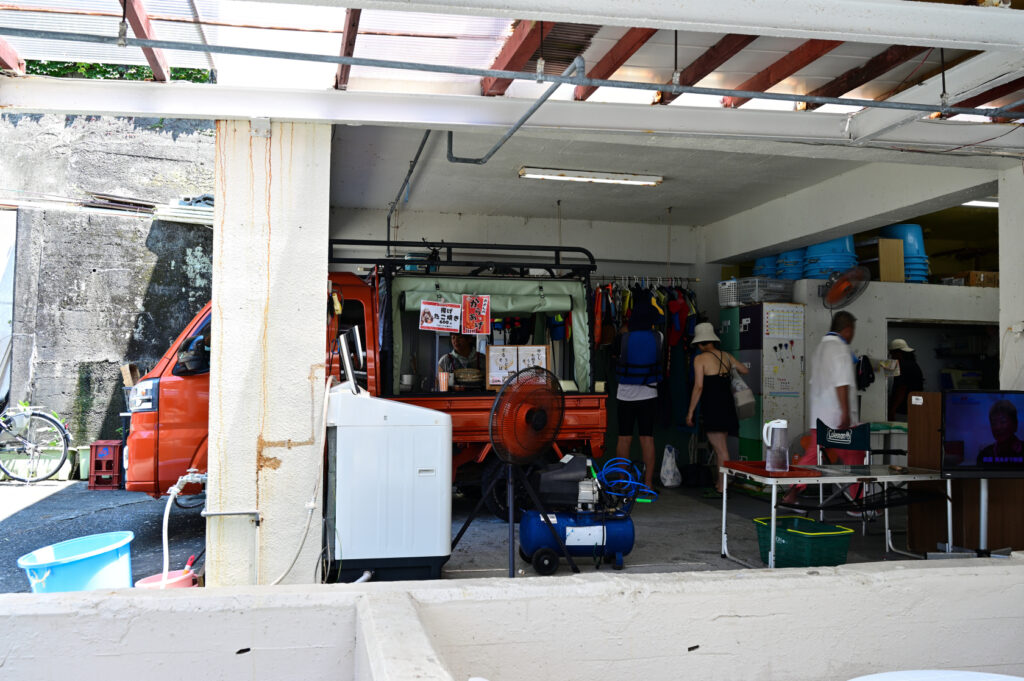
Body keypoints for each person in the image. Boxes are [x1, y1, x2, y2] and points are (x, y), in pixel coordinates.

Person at [783, 311, 866, 506]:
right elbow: (841, 383)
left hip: (820, 418)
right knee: (856, 459)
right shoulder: (840, 349)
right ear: (848, 329)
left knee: (812, 456)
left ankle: (792, 493)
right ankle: (860, 503)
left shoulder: (820, 348)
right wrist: (845, 412)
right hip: (839, 419)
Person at [686, 322, 749, 496]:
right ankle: (720, 483)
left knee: (721, 450)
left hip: (712, 407)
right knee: (721, 447)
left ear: (700, 343)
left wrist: (690, 411)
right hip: (727, 405)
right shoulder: (726, 356)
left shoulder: (700, 359)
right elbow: (744, 370)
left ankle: (723, 487)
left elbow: (699, 386)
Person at [613, 300, 663, 489]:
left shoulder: (623, 338)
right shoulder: (658, 337)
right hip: (649, 395)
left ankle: (622, 481)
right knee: (647, 439)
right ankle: (648, 483)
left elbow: (615, 357)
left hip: (625, 395)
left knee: (624, 438)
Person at [887, 338, 924, 421]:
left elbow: (901, 389)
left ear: (898, 353)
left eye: (892, 354)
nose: (891, 357)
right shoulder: (913, 364)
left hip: (903, 410)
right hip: (914, 407)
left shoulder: (902, 366)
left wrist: (892, 410)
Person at [978, 399, 1024, 465]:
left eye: (1003, 422)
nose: (998, 427)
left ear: (1015, 424)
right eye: (994, 423)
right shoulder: (984, 455)